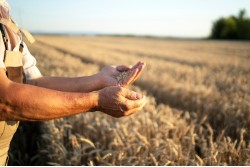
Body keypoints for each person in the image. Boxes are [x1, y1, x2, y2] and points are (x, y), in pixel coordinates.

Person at [0, 0, 146, 165]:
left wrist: (98, 79)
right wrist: (97, 101)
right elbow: (4, 100)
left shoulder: (6, 18)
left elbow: (32, 84)